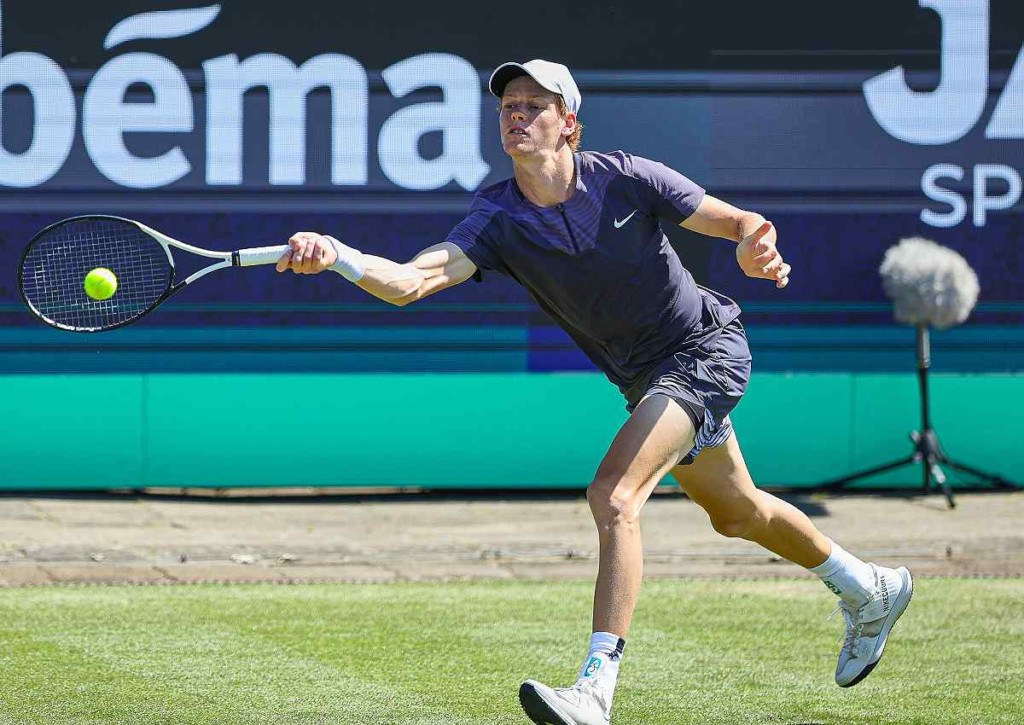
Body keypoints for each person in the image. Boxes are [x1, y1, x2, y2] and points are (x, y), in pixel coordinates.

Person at [276, 59, 914, 725]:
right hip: (645, 379)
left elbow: (739, 222)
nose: (516, 114)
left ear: (568, 124)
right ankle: (868, 587)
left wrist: (756, 244)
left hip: (704, 350)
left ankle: (595, 690)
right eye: (508, 107)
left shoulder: (626, 177)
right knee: (738, 512)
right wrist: (340, 255)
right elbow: (409, 282)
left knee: (615, 495)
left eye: (534, 105)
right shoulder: (497, 215)